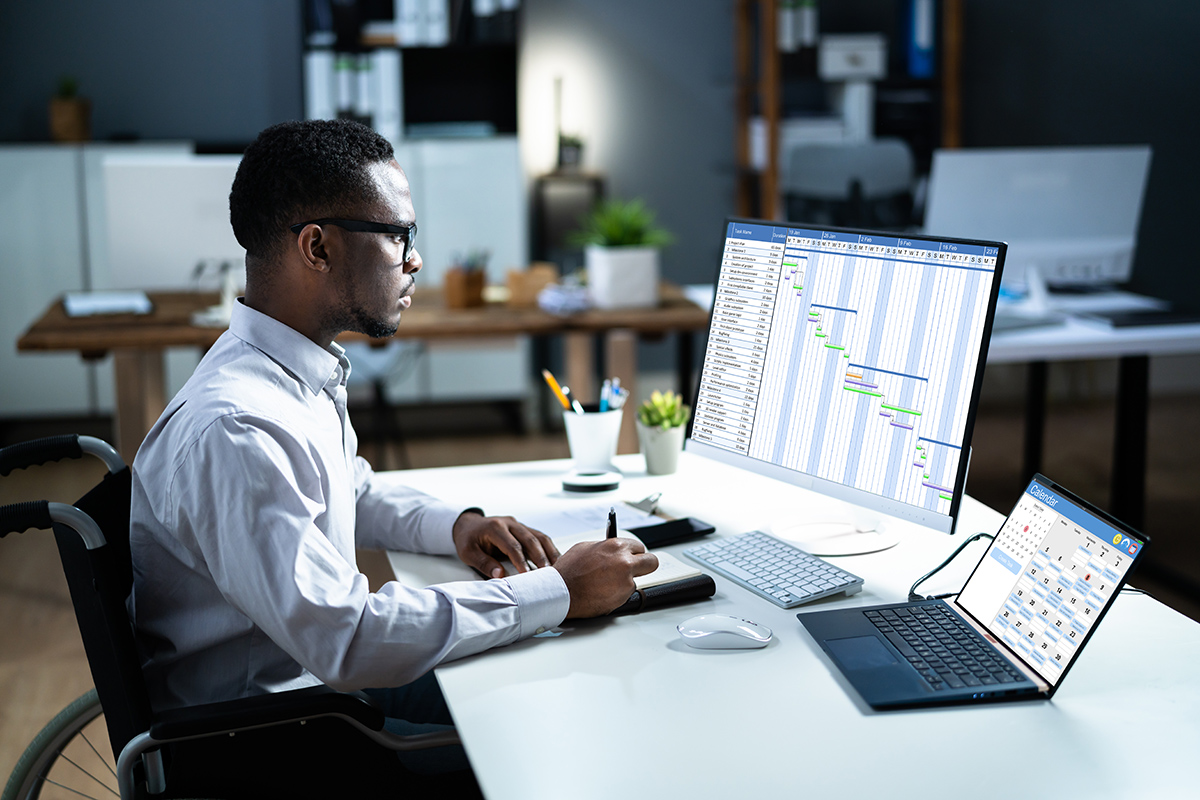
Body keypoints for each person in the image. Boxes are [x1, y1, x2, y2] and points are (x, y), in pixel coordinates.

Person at [127, 119, 657, 783]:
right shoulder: (236, 428)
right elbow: (347, 638)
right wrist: (556, 589)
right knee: (538, 752)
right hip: (264, 746)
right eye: (398, 234)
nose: (415, 259)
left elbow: (347, 486)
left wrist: (459, 526)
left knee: (541, 674)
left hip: (313, 695)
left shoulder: (285, 372)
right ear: (317, 247)